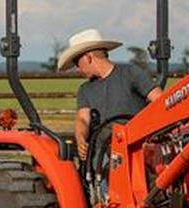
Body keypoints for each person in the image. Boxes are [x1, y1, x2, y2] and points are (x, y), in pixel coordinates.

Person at [57, 29, 163, 160]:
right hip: (103, 155)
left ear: (88, 57)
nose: (78, 69)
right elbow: (83, 119)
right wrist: (80, 138)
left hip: (137, 149)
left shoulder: (130, 74)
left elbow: (160, 101)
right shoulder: (85, 90)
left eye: (77, 63)